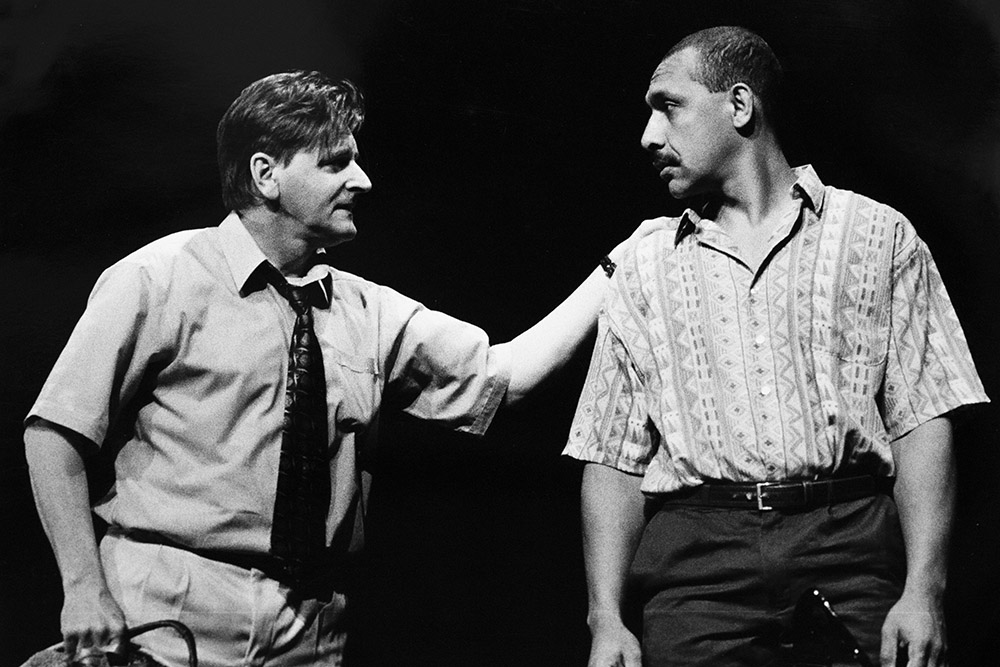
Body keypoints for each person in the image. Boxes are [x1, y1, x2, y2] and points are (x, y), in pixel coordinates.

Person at [24, 71, 652, 667]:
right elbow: (55, 433)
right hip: (164, 620)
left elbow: (503, 375)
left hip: (309, 632)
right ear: (266, 175)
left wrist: (617, 267)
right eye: (335, 163)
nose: (363, 180)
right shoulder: (158, 277)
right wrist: (83, 588)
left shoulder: (367, 311)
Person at [564, 26, 988, 667]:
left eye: (668, 106)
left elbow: (922, 417)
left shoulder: (877, 235)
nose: (649, 136)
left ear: (739, 105)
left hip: (848, 551)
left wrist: (924, 588)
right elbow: (611, 455)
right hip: (698, 571)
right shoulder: (646, 264)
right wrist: (606, 622)